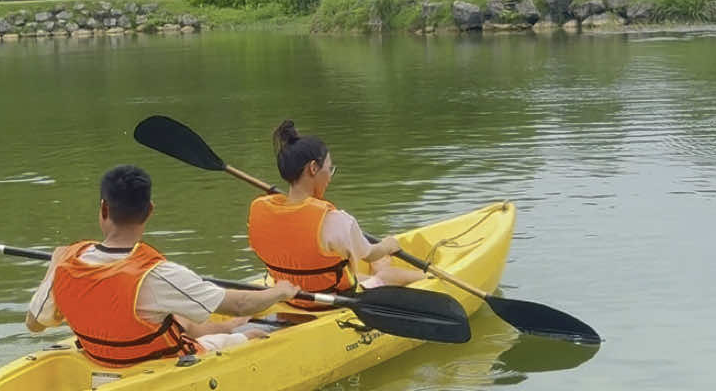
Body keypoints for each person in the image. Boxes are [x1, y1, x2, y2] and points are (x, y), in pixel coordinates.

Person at [26, 164, 297, 368]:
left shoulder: (66, 263)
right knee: (255, 335)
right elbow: (239, 305)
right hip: (161, 366)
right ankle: (236, 331)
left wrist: (53, 266)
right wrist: (280, 292)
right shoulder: (159, 275)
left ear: (103, 209)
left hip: (101, 361)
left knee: (178, 317)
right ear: (150, 210)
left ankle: (225, 328)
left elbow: (34, 325)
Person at [247, 121, 422, 309]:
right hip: (332, 301)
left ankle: (381, 270)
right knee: (386, 274)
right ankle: (430, 278)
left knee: (375, 265)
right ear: (313, 168)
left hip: (288, 294)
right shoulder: (335, 220)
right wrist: (388, 245)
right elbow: (370, 254)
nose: (330, 176)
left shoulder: (260, 210)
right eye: (329, 169)